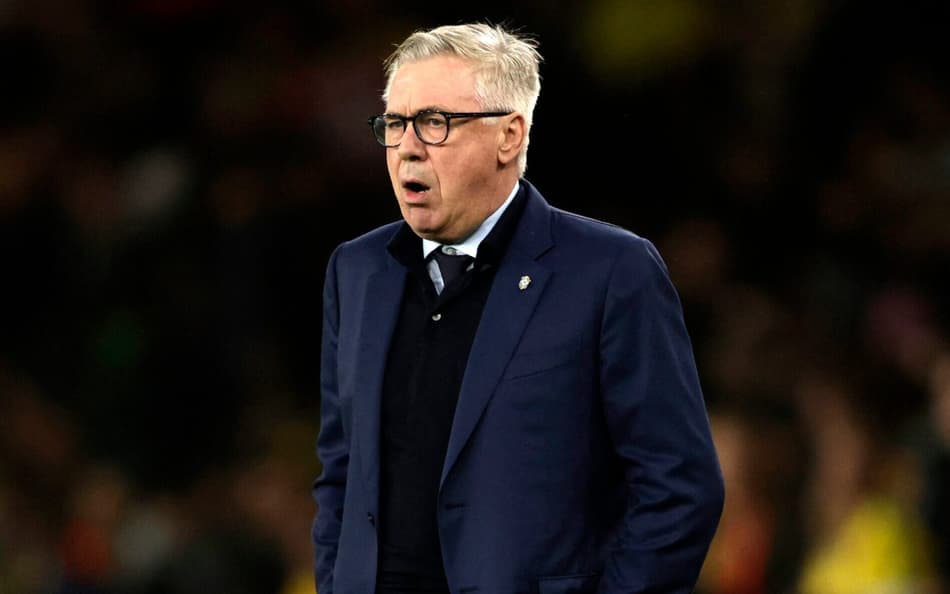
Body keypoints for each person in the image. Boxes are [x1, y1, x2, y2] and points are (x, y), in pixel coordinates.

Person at [312, 22, 724, 594]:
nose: (407, 147)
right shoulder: (356, 270)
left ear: (509, 136)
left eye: (435, 122)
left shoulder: (610, 271)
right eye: (396, 124)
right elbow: (340, 471)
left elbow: (679, 487)